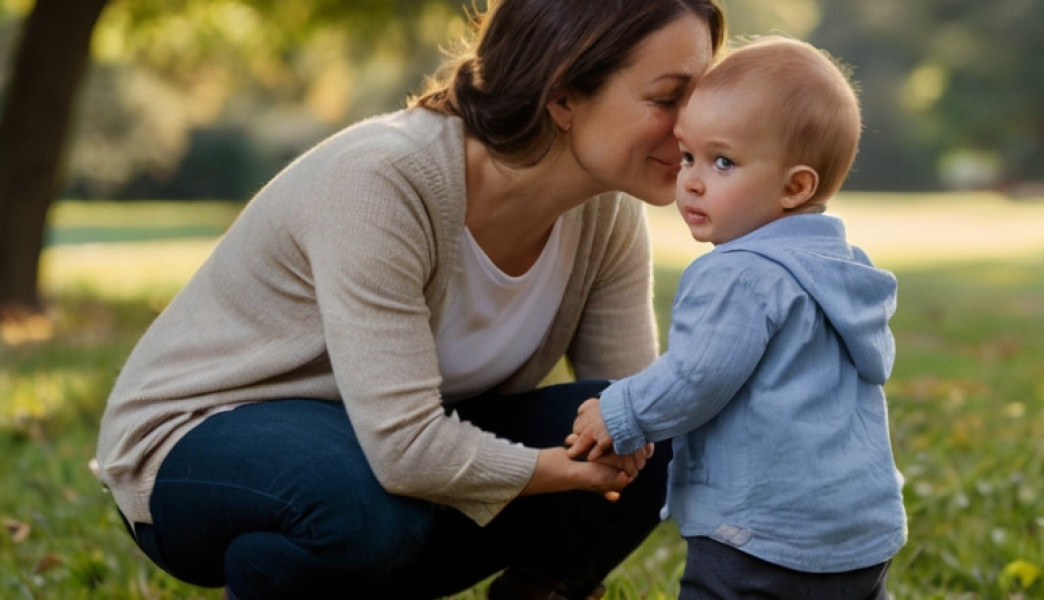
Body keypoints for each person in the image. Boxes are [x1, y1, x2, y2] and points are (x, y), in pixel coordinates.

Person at [91, 1, 725, 598]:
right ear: (562, 96)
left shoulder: (604, 212)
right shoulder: (384, 180)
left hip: (388, 466)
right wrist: (560, 472)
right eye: (670, 98)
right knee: (361, 509)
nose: (697, 123)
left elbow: (635, 412)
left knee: (653, 435)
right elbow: (404, 450)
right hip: (202, 439)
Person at [566, 37, 908, 600]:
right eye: (688, 156)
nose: (692, 180)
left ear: (796, 186)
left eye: (723, 161)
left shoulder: (741, 274)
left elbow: (697, 378)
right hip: (859, 531)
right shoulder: (841, 269)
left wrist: (618, 411)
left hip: (761, 532)